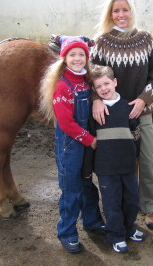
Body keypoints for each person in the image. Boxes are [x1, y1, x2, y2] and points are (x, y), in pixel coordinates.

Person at [90, 0, 153, 229]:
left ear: (131, 11)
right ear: (110, 14)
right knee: (116, 163)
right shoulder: (102, 42)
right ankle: (118, 208)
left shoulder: (146, 39)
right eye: (116, 10)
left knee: (148, 160)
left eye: (125, 10)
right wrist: (96, 100)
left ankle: (150, 206)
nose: (121, 14)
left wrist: (143, 100)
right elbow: (91, 77)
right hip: (112, 116)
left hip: (140, 113)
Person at [51, 35, 105, 254]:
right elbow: (66, 123)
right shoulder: (62, 86)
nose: (77, 58)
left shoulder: (86, 81)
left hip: (84, 143)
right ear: (64, 58)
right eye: (72, 54)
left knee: (87, 183)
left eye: (81, 54)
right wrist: (90, 139)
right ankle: (67, 231)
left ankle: (91, 221)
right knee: (71, 188)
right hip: (70, 145)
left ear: (87, 57)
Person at [83, 65, 145, 253]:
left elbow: (136, 135)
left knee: (132, 201)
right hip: (106, 169)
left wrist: (135, 158)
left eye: (106, 83)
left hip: (127, 166)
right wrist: (88, 168)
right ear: (94, 90)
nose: (103, 88)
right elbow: (91, 143)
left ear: (115, 82)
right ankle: (116, 235)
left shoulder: (128, 108)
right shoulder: (95, 113)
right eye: (98, 86)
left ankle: (129, 228)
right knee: (112, 204)